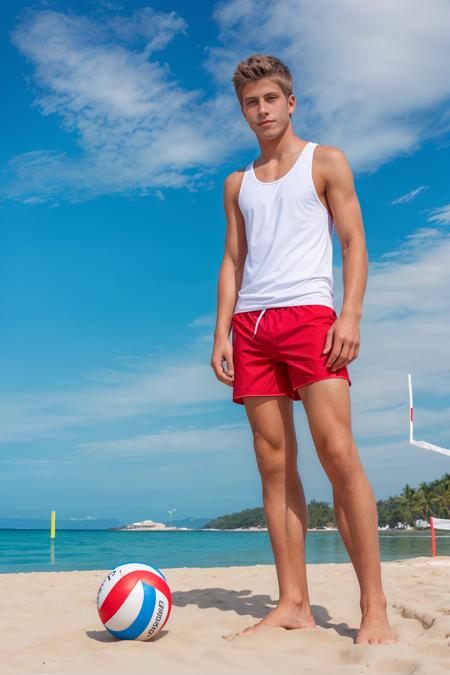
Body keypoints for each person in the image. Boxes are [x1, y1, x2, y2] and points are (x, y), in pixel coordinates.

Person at [210, 53, 397, 646]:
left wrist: (351, 315)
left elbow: (354, 241)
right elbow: (233, 261)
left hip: (312, 318)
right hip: (252, 327)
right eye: (249, 103)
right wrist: (222, 331)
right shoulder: (236, 184)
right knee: (272, 463)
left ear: (290, 102)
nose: (260, 110)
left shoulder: (326, 161)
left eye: (269, 99)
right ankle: (293, 602)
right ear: (242, 111)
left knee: (337, 453)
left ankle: (375, 608)